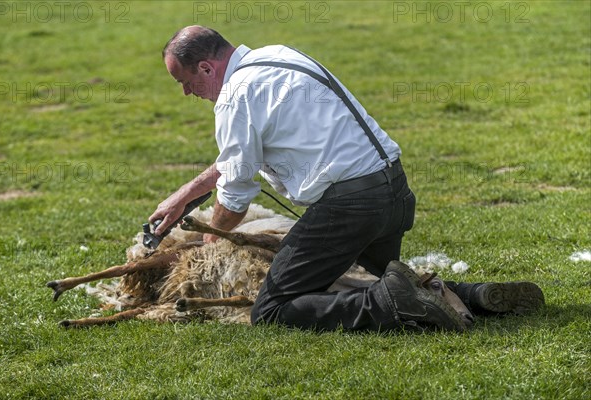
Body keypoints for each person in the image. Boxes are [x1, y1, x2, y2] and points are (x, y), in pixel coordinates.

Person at [150, 26, 543, 332]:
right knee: (380, 274)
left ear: (206, 67)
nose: (187, 92)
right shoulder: (277, 55)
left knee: (271, 309)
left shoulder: (236, 96)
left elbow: (234, 197)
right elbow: (240, 156)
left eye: (185, 81)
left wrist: (207, 243)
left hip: (351, 207)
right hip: (392, 190)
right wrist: (187, 193)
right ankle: (473, 296)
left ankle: (391, 305)